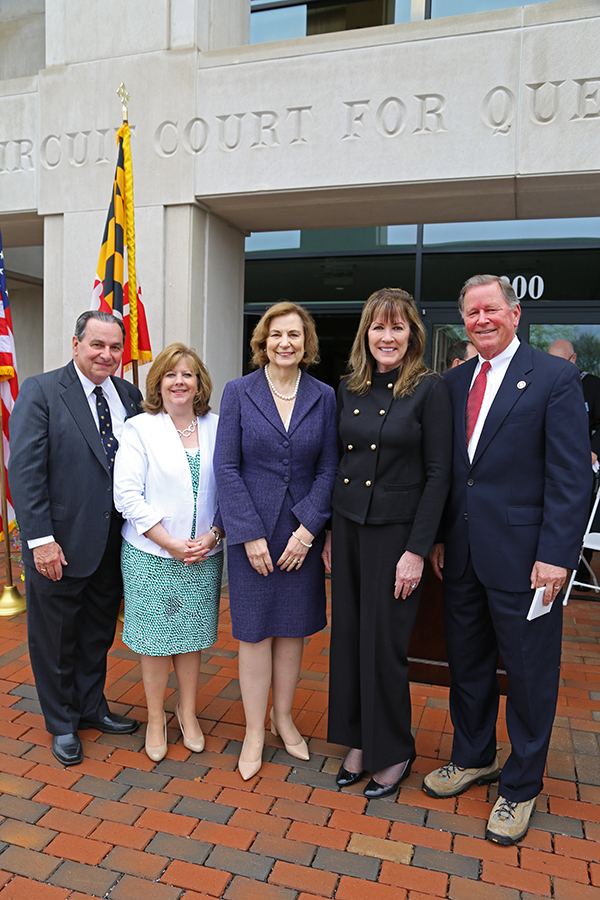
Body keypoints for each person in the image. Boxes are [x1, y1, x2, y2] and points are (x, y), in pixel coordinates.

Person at [424, 275, 591, 845]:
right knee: (467, 665)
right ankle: (473, 757)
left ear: (514, 313)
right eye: (471, 312)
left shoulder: (555, 377)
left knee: (528, 676)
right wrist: (443, 536)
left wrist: (555, 556)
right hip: (464, 555)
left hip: (527, 563)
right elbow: (454, 471)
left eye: (491, 309)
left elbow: (571, 478)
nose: (481, 320)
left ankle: (520, 786)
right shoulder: (454, 382)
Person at [325, 287, 453, 799]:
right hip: (351, 527)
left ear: (412, 335)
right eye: (379, 327)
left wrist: (417, 549)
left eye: (398, 327)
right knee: (352, 639)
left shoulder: (429, 389)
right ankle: (358, 740)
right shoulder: (348, 387)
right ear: (366, 334)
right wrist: (332, 530)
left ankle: (395, 748)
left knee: (386, 645)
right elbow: (340, 463)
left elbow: (439, 474)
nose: (388, 336)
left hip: (397, 535)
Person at [8, 311, 143, 766]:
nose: (107, 355)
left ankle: (91, 706)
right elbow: (24, 473)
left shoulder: (129, 394)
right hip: (60, 543)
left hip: (114, 541)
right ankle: (62, 723)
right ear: (76, 344)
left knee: (97, 631)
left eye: (115, 347)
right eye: (97, 345)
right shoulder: (43, 391)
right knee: (56, 636)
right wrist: (40, 540)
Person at [214, 301, 337, 780]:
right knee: (254, 631)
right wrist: (248, 534)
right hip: (253, 535)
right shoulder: (239, 392)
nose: (285, 343)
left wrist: (308, 530)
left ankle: (283, 718)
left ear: (306, 344)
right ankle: (253, 731)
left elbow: (329, 467)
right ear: (262, 342)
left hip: (300, 534)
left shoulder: (324, 396)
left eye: (295, 335)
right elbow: (226, 466)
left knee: (292, 628)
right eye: (276, 335)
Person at [113, 344, 224, 761]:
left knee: (191, 636)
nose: (180, 381)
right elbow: (126, 494)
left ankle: (188, 712)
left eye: (188, 374)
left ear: (200, 384)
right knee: (157, 640)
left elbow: (230, 488)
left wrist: (214, 535)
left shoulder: (218, 425)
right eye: (171, 374)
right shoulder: (140, 428)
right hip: (151, 553)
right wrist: (170, 543)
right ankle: (157, 717)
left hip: (204, 552)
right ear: (159, 383)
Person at [548, 338, 600, 592]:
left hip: (579, 465)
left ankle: (580, 572)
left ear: (574, 360)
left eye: (562, 361)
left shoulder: (592, 386)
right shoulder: (541, 382)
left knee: (580, 515)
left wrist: (594, 450)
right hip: (548, 464)